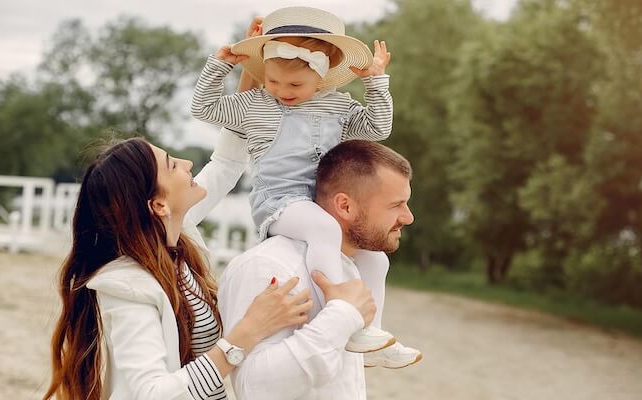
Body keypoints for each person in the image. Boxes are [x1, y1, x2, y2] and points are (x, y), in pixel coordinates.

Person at [42, 19, 366, 400]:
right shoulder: (127, 286)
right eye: (171, 165)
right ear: (158, 204)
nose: (187, 164)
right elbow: (154, 395)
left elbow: (228, 162)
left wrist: (253, 64)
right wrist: (247, 331)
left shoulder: (181, 241)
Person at [191, 5, 418, 364]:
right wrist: (220, 65)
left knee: (376, 257)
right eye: (273, 81)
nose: (282, 90)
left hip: (321, 202)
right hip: (280, 202)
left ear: (322, 76)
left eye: (295, 84)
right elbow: (203, 108)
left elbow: (378, 128)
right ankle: (339, 311)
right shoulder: (254, 106)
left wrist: (375, 82)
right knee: (325, 229)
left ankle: (371, 334)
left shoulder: (338, 107)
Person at [217, 140, 423, 400]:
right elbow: (256, 390)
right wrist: (341, 316)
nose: (408, 217)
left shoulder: (352, 265)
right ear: (345, 206)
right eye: (396, 205)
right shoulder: (268, 267)